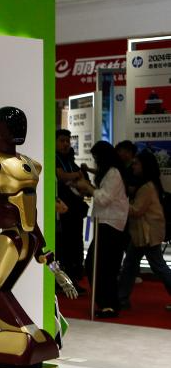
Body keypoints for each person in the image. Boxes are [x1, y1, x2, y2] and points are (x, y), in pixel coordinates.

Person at [76, 141, 129, 318]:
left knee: (99, 265)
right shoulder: (112, 172)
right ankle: (108, 304)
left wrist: (88, 187)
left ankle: (107, 304)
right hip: (108, 222)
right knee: (104, 266)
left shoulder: (113, 173)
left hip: (110, 223)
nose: (96, 162)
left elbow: (104, 199)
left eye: (97, 158)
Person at [118, 150, 171, 311]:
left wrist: (119, 203)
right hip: (144, 233)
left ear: (144, 166)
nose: (133, 166)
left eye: (136, 163)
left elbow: (137, 210)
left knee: (156, 266)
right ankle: (122, 298)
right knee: (131, 264)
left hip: (146, 234)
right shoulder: (149, 184)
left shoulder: (146, 187)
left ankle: (121, 298)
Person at [55, 129, 88, 285]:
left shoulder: (70, 160)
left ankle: (75, 275)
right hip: (62, 211)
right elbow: (61, 176)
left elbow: (83, 182)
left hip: (75, 210)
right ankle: (65, 279)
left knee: (76, 243)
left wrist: (76, 177)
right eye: (62, 141)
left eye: (68, 141)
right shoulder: (54, 159)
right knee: (64, 244)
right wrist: (76, 176)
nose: (66, 144)